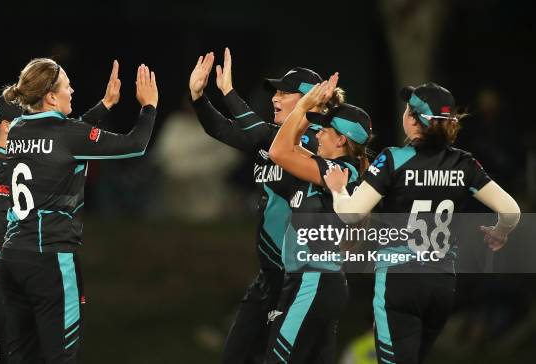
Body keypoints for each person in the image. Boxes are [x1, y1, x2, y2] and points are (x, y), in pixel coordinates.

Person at [324, 82, 521, 364]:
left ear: (414, 120)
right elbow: (510, 211)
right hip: (441, 286)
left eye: (408, 110)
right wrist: (500, 232)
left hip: (399, 282)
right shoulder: (464, 163)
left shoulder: (393, 158)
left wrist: (338, 190)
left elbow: (351, 214)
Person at [0, 58, 158, 363]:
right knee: (62, 358)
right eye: (66, 85)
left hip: (13, 257)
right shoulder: (65, 133)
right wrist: (149, 107)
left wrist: (106, 104)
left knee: (21, 357)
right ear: (50, 96)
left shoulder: (17, 129)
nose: (72, 89)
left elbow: (65, 136)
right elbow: (135, 145)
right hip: (51, 260)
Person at [189, 49, 344, 363]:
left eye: (285, 92)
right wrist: (198, 97)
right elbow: (220, 129)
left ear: (306, 101)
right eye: (276, 90)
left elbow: (263, 137)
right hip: (268, 279)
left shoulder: (316, 141)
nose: (275, 97)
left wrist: (228, 93)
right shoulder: (271, 142)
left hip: (302, 279)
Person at [0, 67, 122, 362]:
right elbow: (0, 229)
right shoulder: (3, 170)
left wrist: (104, 106)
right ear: (11, 125)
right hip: (5, 280)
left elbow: (59, 138)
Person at [266, 79, 373, 363]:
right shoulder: (327, 168)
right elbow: (286, 145)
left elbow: (277, 152)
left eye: (324, 131)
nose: (317, 136)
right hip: (317, 281)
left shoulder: (337, 170)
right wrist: (311, 108)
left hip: (312, 282)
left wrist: (302, 105)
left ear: (341, 139)